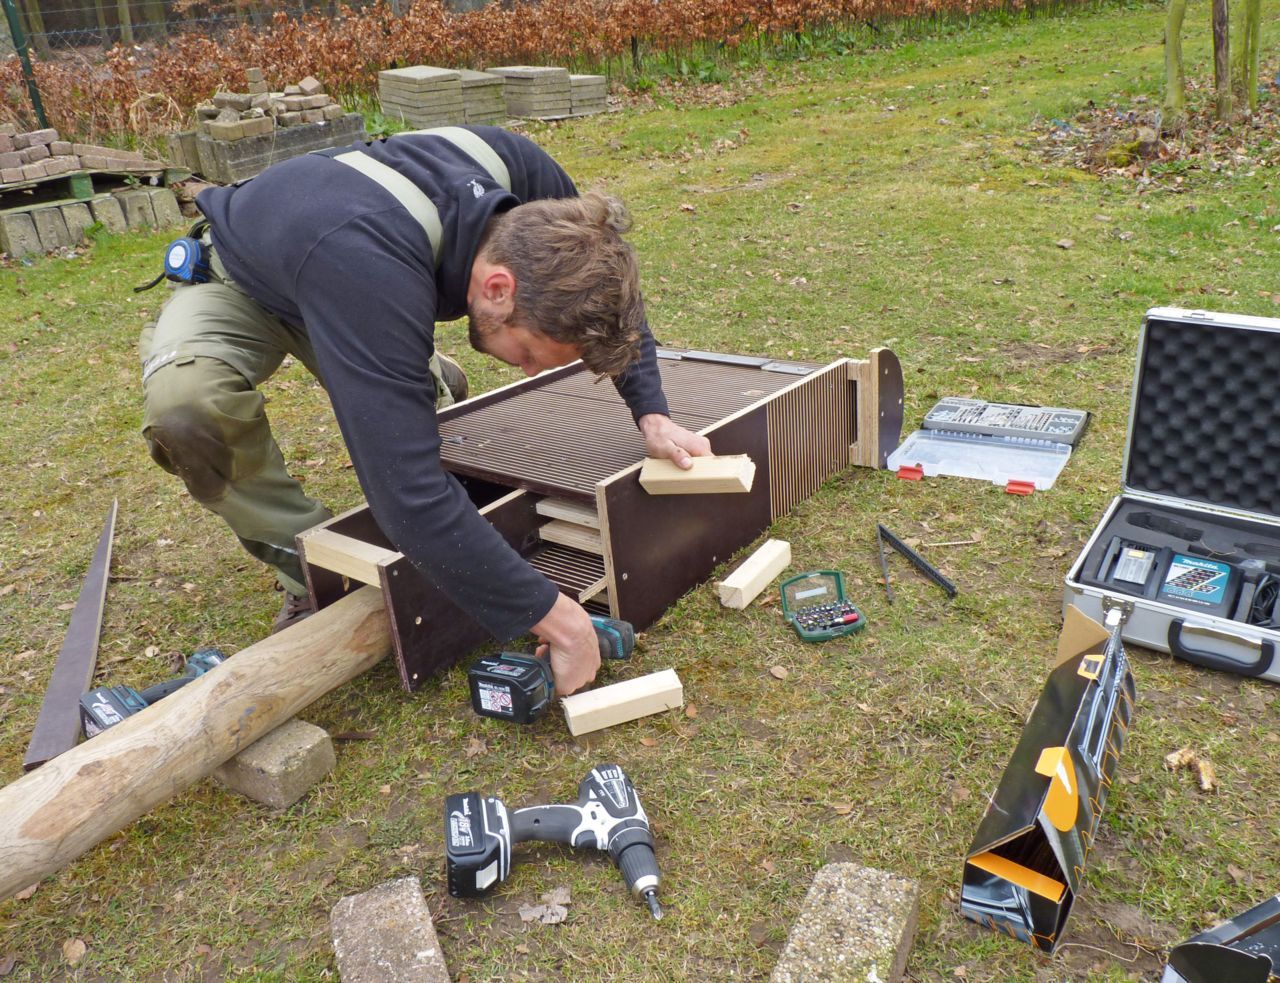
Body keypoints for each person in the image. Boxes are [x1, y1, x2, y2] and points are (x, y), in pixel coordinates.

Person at [138, 125, 710, 695]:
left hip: (363, 277)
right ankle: (310, 564)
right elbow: (406, 495)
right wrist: (560, 621)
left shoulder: (532, 186)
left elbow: (605, 294)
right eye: (533, 354)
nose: (534, 373)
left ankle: (411, 381)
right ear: (497, 288)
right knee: (186, 410)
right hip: (251, 281)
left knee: (432, 448)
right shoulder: (367, 271)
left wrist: (651, 413)